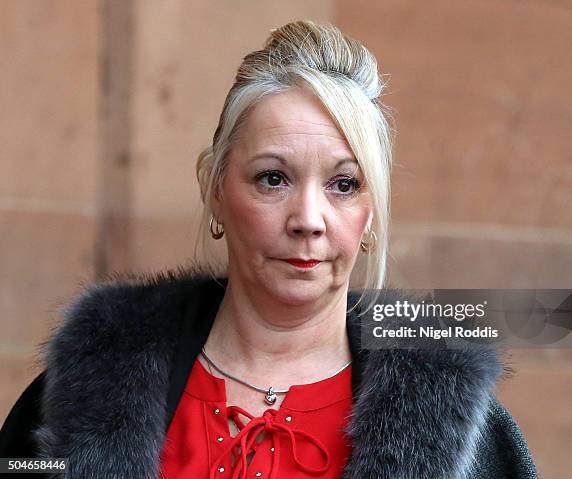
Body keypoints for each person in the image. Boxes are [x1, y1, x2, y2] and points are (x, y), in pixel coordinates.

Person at [0, 20, 538, 478]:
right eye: (272, 178)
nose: (308, 220)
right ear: (216, 190)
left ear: (370, 215)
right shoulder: (93, 378)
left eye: (344, 184)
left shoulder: (461, 429)